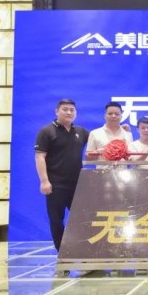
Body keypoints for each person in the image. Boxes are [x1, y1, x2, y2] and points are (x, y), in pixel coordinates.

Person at [34, 99, 89, 252]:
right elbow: (40, 157)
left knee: (83, 217)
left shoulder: (81, 131)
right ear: (56, 111)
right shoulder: (46, 131)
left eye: (72, 110)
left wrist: (122, 130)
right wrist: (44, 181)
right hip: (55, 184)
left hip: (78, 184)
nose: (69, 112)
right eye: (65, 109)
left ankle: (83, 249)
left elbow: (99, 140)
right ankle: (62, 252)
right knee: (56, 220)